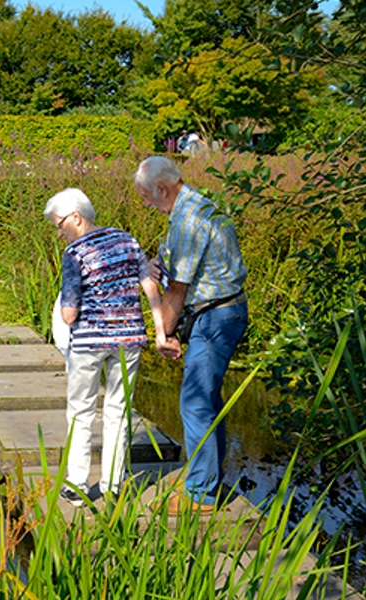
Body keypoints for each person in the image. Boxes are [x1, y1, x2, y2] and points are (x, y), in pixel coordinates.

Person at [133, 156, 248, 515]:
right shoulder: (197, 203)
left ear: (162, 189)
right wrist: (157, 262)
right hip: (223, 311)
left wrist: (164, 333)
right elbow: (184, 260)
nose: (147, 205)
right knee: (208, 401)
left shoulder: (186, 220)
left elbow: (177, 292)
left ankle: (200, 495)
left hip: (215, 317)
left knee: (196, 402)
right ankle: (207, 479)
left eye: (147, 197)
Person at [44, 188, 167, 508]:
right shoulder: (128, 240)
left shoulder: (75, 254)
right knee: (118, 411)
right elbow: (150, 287)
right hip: (129, 341)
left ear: (76, 217)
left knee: (81, 413)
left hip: (89, 344)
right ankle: (113, 483)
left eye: (59, 225)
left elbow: (69, 315)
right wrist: (160, 331)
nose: (59, 233)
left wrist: (66, 310)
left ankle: (77, 485)